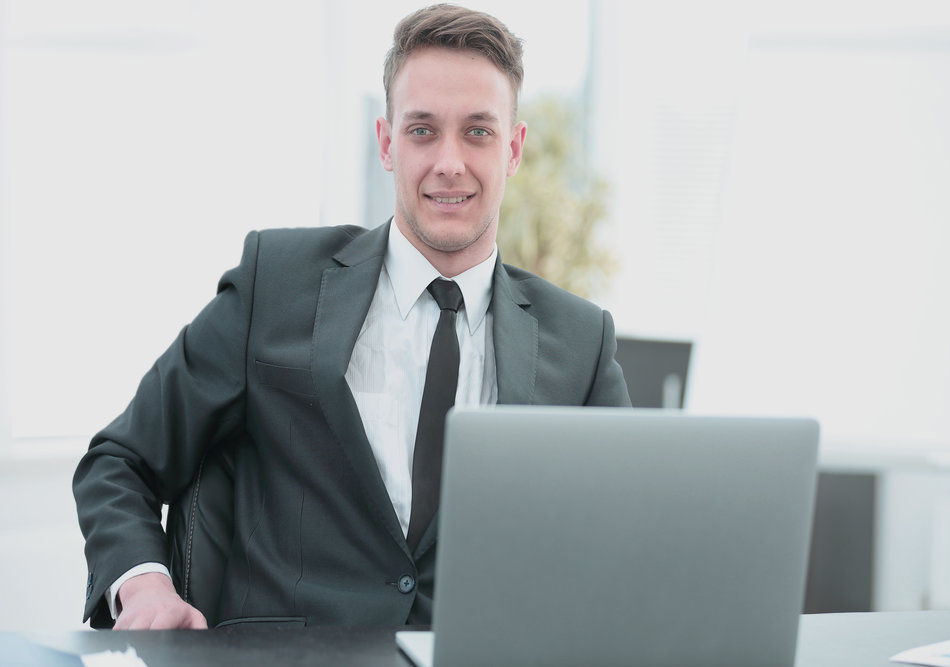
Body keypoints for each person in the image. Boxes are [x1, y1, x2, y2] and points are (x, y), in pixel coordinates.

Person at [73, 3, 631, 631]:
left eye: (478, 131)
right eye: (423, 130)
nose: (450, 161)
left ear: (514, 149)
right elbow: (119, 460)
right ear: (388, 143)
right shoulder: (276, 282)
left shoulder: (580, 343)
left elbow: (628, 545)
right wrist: (145, 587)